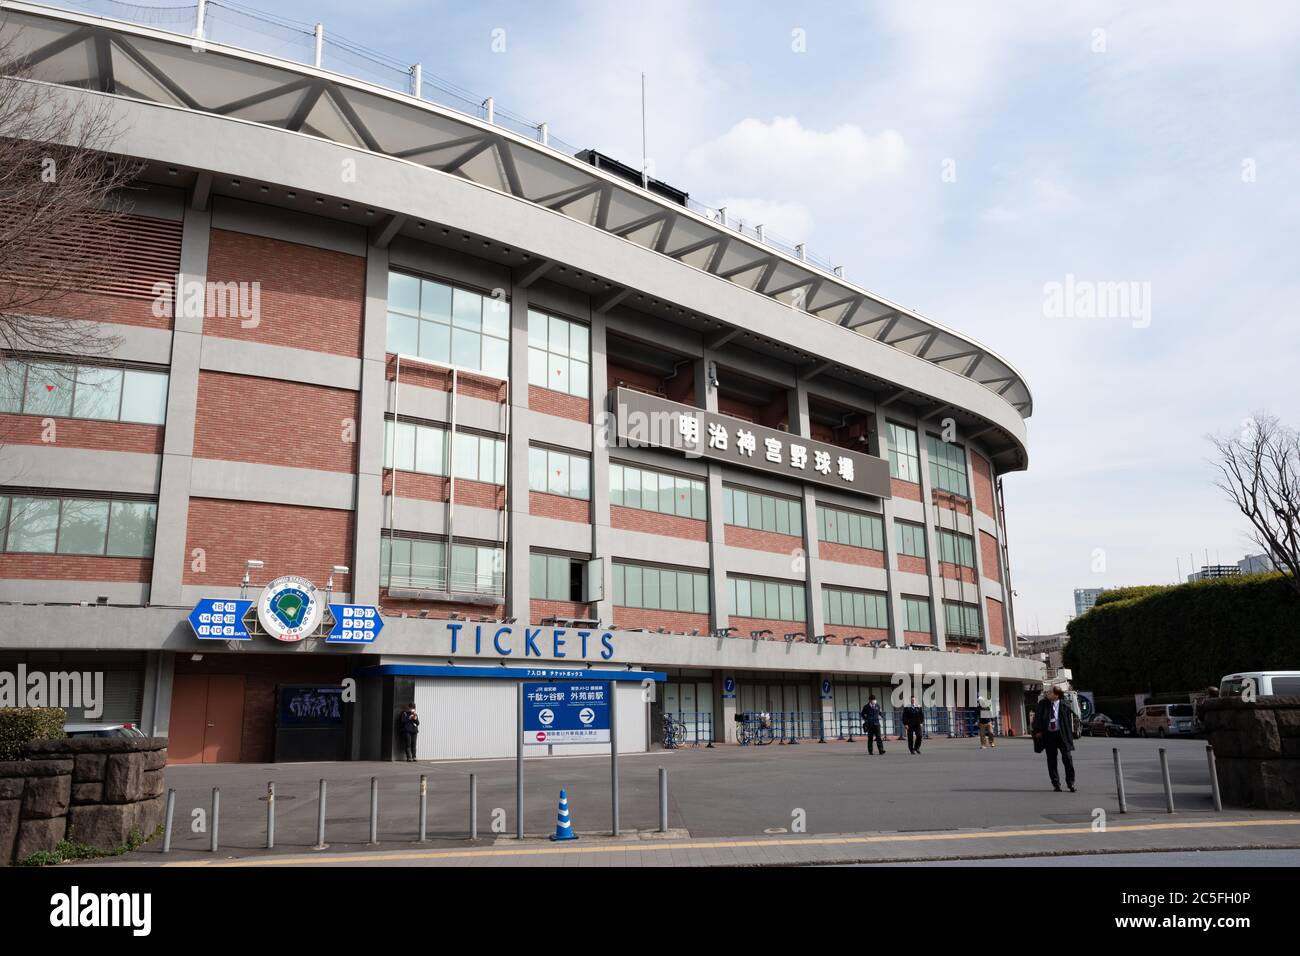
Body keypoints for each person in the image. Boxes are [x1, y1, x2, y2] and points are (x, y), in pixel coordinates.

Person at [1033, 686, 1076, 792]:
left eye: (1050, 692)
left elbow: (1068, 723)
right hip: (1049, 735)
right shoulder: (1042, 704)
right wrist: (1038, 731)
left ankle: (1071, 783)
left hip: (1062, 735)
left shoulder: (1064, 705)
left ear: (1056, 695)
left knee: (1067, 758)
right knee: (1052, 760)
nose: (1047, 693)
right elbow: (1037, 718)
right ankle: (1056, 784)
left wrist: (1070, 736)